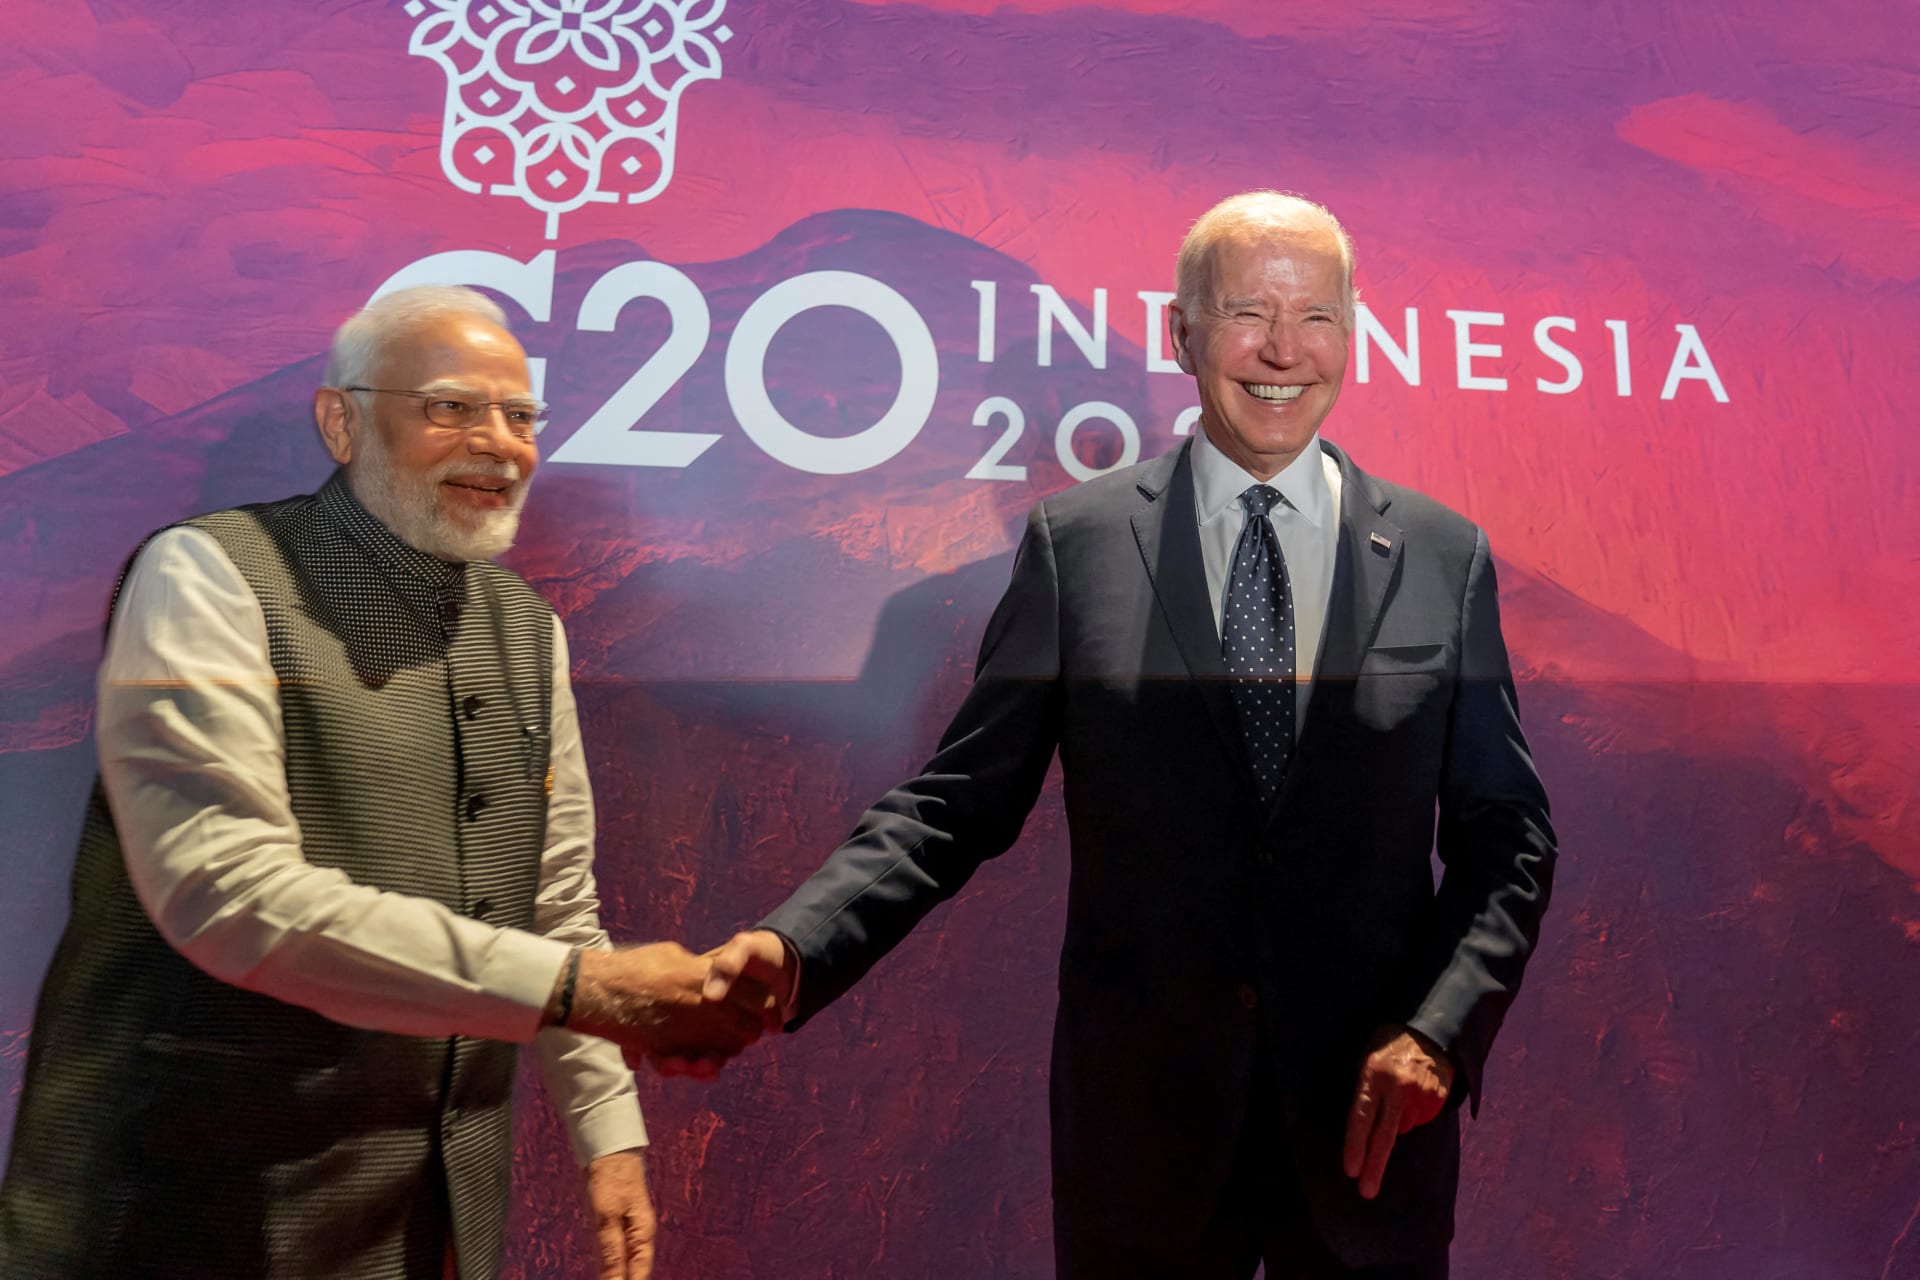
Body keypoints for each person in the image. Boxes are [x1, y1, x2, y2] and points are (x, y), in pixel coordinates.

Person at [699, 192, 1557, 1278]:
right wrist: (795, 943)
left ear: (1354, 333)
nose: (1284, 351)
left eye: (1319, 318)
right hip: (1143, 1147)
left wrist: (1439, 1030)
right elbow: (954, 803)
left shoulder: (1445, 553)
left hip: (1369, 1143)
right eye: (1249, 312)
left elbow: (1507, 836)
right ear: (1181, 332)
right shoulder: (1080, 544)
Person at [0, 286, 767, 1280]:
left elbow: (554, 896)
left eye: (522, 416)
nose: (500, 442)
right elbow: (229, 893)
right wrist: (587, 989)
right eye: (452, 406)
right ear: (341, 419)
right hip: (180, 1211)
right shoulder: (202, 576)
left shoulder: (531, 629)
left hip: (430, 1214)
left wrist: (607, 1131)